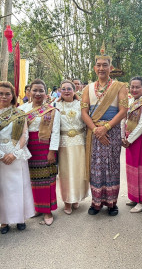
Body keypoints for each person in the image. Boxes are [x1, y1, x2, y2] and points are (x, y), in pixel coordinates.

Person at [81, 44, 128, 216]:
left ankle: (112, 203)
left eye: (105, 65)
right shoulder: (88, 88)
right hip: (94, 133)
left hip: (112, 131)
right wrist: (95, 129)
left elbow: (123, 111)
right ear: (95, 68)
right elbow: (84, 112)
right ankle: (96, 202)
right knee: (96, 166)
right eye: (99, 65)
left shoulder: (120, 86)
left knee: (112, 165)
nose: (101, 68)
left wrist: (106, 127)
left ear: (111, 67)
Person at [0, 81, 35, 234]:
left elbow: (25, 135)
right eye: (1, 93)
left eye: (7, 94)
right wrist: (0, 154)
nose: (4, 96)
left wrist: (14, 153)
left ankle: (20, 218)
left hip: (17, 153)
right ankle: (4, 221)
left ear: (13, 96)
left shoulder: (19, 114)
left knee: (19, 187)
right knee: (2, 189)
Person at [22, 79, 60, 225]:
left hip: (45, 148)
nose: (38, 93)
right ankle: (37, 207)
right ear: (29, 92)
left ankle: (47, 211)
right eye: (35, 90)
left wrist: (52, 151)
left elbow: (55, 133)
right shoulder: (23, 109)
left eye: (41, 91)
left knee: (46, 180)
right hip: (28, 148)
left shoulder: (52, 111)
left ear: (46, 93)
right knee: (32, 180)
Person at [121, 76, 142, 213]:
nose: (134, 89)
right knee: (131, 168)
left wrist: (130, 139)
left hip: (140, 140)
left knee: (140, 169)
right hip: (129, 139)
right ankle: (134, 196)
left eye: (137, 87)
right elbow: (124, 119)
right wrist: (122, 136)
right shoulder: (131, 101)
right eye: (132, 87)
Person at [55, 80, 89, 215]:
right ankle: (67, 201)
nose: (67, 91)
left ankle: (76, 198)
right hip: (63, 143)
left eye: (69, 89)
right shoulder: (55, 105)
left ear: (74, 90)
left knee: (79, 171)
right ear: (60, 90)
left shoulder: (81, 105)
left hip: (80, 142)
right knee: (65, 173)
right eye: (64, 89)